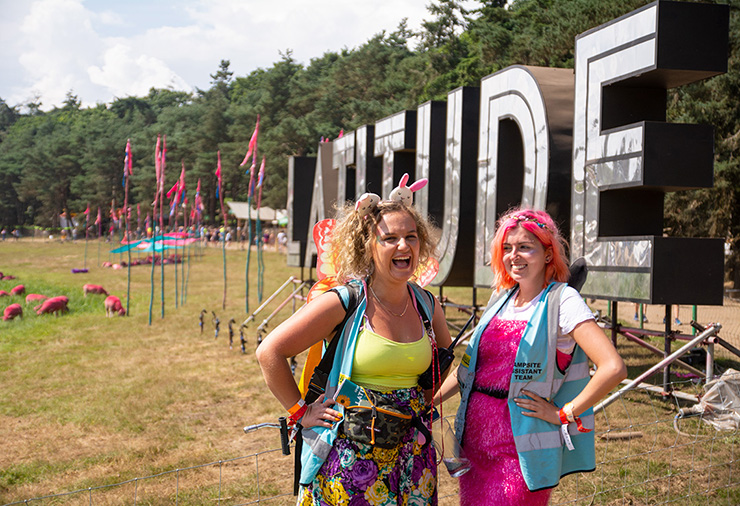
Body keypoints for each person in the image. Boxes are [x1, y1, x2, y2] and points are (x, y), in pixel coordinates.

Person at [256, 194, 452, 506]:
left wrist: (424, 398)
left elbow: (444, 356)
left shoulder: (427, 304)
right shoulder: (344, 301)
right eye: (389, 238)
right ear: (367, 246)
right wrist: (300, 412)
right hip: (352, 460)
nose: (404, 246)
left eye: (411, 237)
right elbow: (270, 352)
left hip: (413, 457)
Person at [437, 208, 627, 506]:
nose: (515, 255)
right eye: (507, 248)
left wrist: (563, 414)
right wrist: (427, 403)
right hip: (473, 447)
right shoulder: (501, 298)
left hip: (521, 450)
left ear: (548, 253)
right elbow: (468, 370)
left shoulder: (563, 300)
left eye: (525, 247)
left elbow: (613, 368)